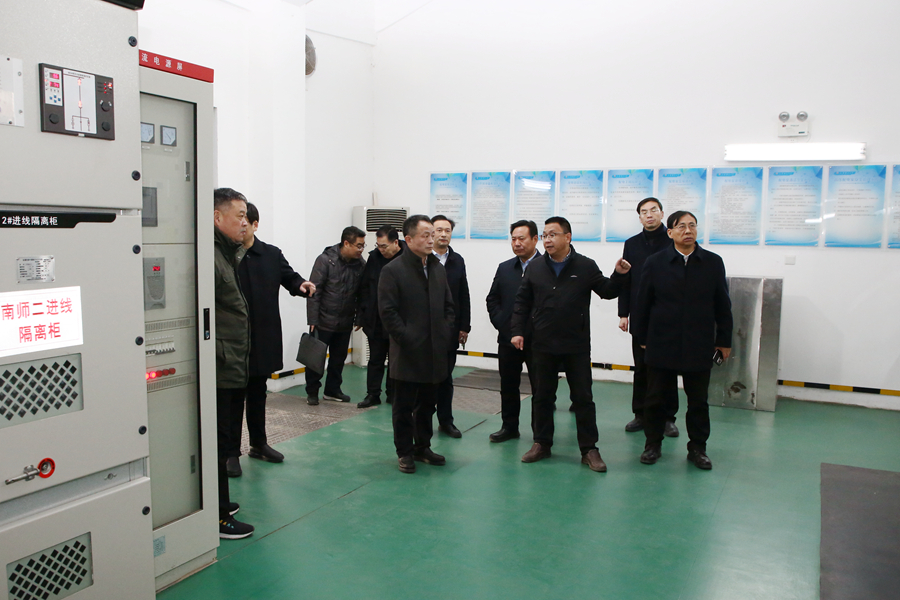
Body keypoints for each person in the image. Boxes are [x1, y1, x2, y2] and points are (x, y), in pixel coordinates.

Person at [510, 216, 631, 472]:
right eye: (544, 235)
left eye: (552, 234)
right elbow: (522, 301)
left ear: (568, 237)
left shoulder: (585, 265)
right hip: (542, 343)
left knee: (583, 398)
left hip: (576, 344)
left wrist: (619, 275)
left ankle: (589, 449)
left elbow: (607, 290)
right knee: (542, 397)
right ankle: (541, 443)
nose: (547, 240)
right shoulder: (535, 267)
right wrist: (517, 331)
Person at [632, 210, 732, 470]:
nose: (688, 231)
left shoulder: (712, 262)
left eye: (692, 226)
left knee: (698, 401)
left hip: (699, 342)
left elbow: (723, 303)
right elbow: (643, 302)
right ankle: (652, 445)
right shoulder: (655, 262)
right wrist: (641, 337)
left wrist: (724, 340)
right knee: (655, 399)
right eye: (681, 227)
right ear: (670, 232)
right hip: (661, 341)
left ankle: (698, 448)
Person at [225, 202, 316, 477]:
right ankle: (230, 453)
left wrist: (301, 285)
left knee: (257, 393)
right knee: (232, 398)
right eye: (238, 220)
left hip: (262, 336)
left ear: (255, 225)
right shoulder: (224, 254)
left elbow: (289, 277)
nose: (242, 226)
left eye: (246, 221)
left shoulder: (271, 254)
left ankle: (259, 444)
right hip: (232, 338)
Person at [378, 215, 455, 474]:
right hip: (408, 352)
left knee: (427, 405)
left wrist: (444, 333)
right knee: (403, 407)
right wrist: (408, 338)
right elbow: (388, 312)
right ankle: (405, 452)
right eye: (426, 235)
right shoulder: (393, 271)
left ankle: (423, 446)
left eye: (432, 234)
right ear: (409, 239)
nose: (432, 239)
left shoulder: (437, 268)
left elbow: (448, 306)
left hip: (434, 351)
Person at [212, 187, 254, 539]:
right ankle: (218, 516)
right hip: (219, 365)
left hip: (231, 363)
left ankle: (221, 503)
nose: (245, 222)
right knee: (217, 440)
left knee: (225, 440)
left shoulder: (226, 253)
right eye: (239, 215)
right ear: (217, 216)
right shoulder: (210, 257)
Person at [618, 197, 679, 436]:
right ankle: (640, 414)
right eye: (644, 212)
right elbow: (625, 279)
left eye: (654, 210)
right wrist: (623, 313)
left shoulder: (673, 240)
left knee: (667, 367)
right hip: (640, 314)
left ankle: (668, 418)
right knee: (641, 367)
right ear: (640, 217)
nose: (649, 215)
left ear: (662, 214)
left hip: (668, 314)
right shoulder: (631, 244)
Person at [485, 220, 542, 443]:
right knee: (508, 385)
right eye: (513, 239)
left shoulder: (546, 267)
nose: (517, 243)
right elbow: (492, 299)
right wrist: (503, 324)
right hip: (508, 338)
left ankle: (540, 433)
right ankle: (509, 427)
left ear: (535, 239)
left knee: (541, 388)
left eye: (522, 239)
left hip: (537, 341)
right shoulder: (505, 268)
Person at [305, 226, 366, 405]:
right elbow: (314, 291)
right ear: (346, 243)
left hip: (345, 321)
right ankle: (312, 392)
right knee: (315, 359)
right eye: (359, 245)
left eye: (363, 246)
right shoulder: (325, 260)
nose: (361, 250)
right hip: (323, 321)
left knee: (338, 360)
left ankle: (332, 390)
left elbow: (362, 293)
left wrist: (359, 318)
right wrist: (313, 319)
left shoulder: (360, 264)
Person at [431, 215, 471, 438]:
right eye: (439, 230)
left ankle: (446, 421)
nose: (443, 234)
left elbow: (463, 294)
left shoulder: (457, 260)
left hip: (450, 329)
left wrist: (464, 326)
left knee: (446, 378)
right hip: (426, 330)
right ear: (431, 233)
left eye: (447, 230)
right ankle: (422, 420)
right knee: (426, 379)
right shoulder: (422, 259)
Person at [356, 225, 403, 408]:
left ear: (396, 242)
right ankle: (372, 394)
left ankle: (393, 393)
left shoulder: (408, 258)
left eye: (384, 246)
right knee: (375, 359)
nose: (381, 249)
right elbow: (364, 288)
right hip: (375, 319)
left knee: (395, 360)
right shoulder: (374, 258)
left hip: (398, 320)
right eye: (378, 245)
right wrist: (361, 316)